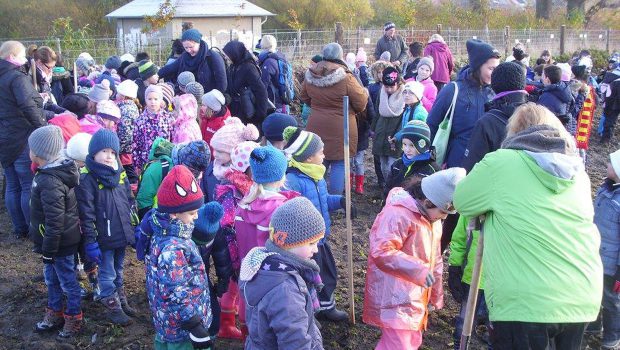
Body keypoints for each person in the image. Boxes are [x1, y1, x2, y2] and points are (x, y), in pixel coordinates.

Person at [454, 110, 603, 349]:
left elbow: (462, 200)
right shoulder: (577, 172)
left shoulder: (501, 161)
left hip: (526, 299)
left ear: (514, 132)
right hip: (581, 292)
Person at [363, 168, 465, 350]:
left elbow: (436, 261)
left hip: (415, 296)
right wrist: (418, 269)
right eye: (443, 213)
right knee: (398, 344)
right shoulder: (398, 214)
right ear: (427, 202)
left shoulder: (433, 222)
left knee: (411, 340)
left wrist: (435, 294)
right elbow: (381, 251)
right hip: (394, 295)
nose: (444, 218)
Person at [427, 38, 499, 252]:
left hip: (484, 168)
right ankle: (436, 253)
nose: (494, 74)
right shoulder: (453, 90)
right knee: (449, 216)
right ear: (478, 66)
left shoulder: (493, 93)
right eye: (490, 68)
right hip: (456, 166)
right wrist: (428, 160)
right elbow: (431, 124)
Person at [141, 165, 213, 350]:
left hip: (168, 321)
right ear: (174, 213)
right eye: (191, 213)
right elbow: (176, 290)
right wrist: (194, 324)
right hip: (182, 326)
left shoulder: (163, 231)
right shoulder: (172, 248)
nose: (196, 217)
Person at [283, 126, 349, 322]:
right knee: (309, 278)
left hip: (321, 238)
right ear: (309, 157)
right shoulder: (294, 180)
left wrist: (341, 202)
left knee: (328, 274)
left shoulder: (316, 175)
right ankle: (310, 311)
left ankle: (327, 307)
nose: (324, 155)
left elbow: (324, 199)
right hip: (306, 242)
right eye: (321, 151)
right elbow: (292, 210)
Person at [240, 197, 325, 349]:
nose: (316, 249)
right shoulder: (286, 290)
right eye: (311, 243)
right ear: (288, 244)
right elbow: (295, 342)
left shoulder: (262, 264)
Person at [75, 129, 136, 326]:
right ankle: (112, 305)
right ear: (94, 153)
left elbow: (128, 200)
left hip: (121, 232)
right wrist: (91, 242)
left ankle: (121, 299)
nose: (109, 156)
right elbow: (87, 214)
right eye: (104, 152)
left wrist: (133, 226)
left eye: (112, 152)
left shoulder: (119, 173)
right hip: (104, 237)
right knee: (107, 272)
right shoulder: (87, 179)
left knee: (119, 268)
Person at [235, 146, 296, 339]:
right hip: (271, 274)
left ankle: (247, 335)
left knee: (249, 303)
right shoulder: (280, 210)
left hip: (247, 267)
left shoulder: (243, 205)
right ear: (281, 177)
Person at [28, 125, 83, 339]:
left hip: (59, 243)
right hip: (51, 243)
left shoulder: (50, 181)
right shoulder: (45, 174)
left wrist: (49, 249)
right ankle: (55, 311)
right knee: (51, 278)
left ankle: (73, 317)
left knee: (68, 281)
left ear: (38, 153)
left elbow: (55, 221)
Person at [302, 42, 368, 195]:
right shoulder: (346, 77)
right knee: (339, 162)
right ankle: (335, 199)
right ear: (340, 56)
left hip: (316, 124)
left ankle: (317, 195)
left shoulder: (311, 73)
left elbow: (304, 97)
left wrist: (319, 106)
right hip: (341, 126)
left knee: (317, 161)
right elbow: (361, 102)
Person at [0, 41, 49, 238]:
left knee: (12, 184)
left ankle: (19, 228)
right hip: (20, 136)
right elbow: (28, 106)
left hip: (3, 137)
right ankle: (31, 228)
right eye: (21, 56)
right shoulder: (16, 78)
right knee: (27, 184)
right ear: (12, 57)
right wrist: (43, 128)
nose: (24, 60)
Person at [213, 140, 260, 340]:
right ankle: (243, 330)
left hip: (235, 250)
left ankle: (226, 324)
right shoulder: (236, 191)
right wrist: (236, 258)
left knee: (233, 289)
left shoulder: (239, 185)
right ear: (247, 169)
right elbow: (229, 226)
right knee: (239, 292)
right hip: (236, 251)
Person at [461, 62, 529, 172]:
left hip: (495, 186)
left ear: (494, 85)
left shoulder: (487, 122)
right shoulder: (539, 116)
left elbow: (470, 169)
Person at [136, 139, 210, 218]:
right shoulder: (157, 169)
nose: (192, 174)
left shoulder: (194, 171)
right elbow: (144, 200)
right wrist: (151, 223)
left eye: (197, 172)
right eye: (191, 170)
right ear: (181, 160)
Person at [592, 149, 620, 350]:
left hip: (612, 265)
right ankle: (593, 325)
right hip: (595, 255)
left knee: (611, 301)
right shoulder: (606, 188)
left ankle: (612, 336)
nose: (606, 165)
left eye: (610, 164)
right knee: (593, 292)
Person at [158, 28, 227, 95]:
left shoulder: (212, 57)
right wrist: (156, 75)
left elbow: (222, 82)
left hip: (207, 98)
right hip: (189, 97)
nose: (188, 50)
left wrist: (213, 99)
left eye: (191, 47)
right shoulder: (184, 56)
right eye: (186, 48)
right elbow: (171, 67)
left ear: (198, 43)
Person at [384, 120, 439, 198]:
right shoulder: (397, 164)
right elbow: (388, 188)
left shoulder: (432, 170)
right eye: (404, 144)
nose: (407, 149)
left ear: (423, 145)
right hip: (394, 207)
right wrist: (385, 205)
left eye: (412, 145)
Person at [223, 41, 269, 130]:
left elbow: (261, 91)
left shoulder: (249, 68)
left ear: (235, 53)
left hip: (247, 112)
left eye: (227, 55)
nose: (225, 57)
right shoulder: (233, 66)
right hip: (235, 110)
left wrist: (260, 115)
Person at [132, 84, 175, 171]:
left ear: (161, 100)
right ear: (145, 100)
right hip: (146, 162)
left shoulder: (168, 119)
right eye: (150, 99)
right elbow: (135, 144)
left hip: (165, 162)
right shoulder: (140, 121)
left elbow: (173, 140)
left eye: (156, 99)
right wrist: (136, 164)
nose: (153, 102)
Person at [115, 79, 141, 186]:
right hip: (129, 148)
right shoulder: (132, 107)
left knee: (129, 172)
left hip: (125, 150)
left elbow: (125, 132)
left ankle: (132, 190)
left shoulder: (125, 110)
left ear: (123, 96)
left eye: (118, 93)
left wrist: (119, 148)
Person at [258, 34, 291, 113]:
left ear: (263, 46)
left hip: (274, 103)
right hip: (284, 100)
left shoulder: (268, 62)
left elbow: (263, 84)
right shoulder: (282, 58)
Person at [200, 89, 230, 156]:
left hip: (213, 157)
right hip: (203, 152)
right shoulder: (206, 115)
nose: (201, 107)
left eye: (204, 105)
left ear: (211, 108)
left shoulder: (222, 125)